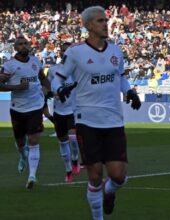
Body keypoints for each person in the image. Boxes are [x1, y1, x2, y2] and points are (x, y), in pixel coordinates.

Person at [51, 6, 141, 220]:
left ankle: (109, 192)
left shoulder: (116, 51)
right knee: (94, 175)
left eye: (105, 20)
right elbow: (58, 77)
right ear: (88, 25)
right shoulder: (75, 52)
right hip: (87, 121)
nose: (105, 24)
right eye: (101, 21)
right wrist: (58, 89)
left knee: (118, 176)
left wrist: (129, 91)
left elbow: (120, 77)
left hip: (113, 120)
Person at [0, 36, 51, 189]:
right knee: (21, 142)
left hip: (35, 107)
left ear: (29, 45)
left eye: (25, 43)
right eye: (20, 44)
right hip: (17, 108)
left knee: (34, 141)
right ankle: (23, 156)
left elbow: (43, 79)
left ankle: (32, 176)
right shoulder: (9, 65)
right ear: (15, 48)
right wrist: (17, 87)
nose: (24, 46)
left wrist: (46, 90)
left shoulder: (36, 61)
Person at [47, 42, 81, 183]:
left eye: (67, 50)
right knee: (63, 142)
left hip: (73, 110)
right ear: (60, 53)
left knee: (73, 139)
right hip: (58, 111)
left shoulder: (78, 71)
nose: (64, 52)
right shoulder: (53, 70)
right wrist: (50, 93)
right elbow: (49, 86)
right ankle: (68, 171)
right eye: (62, 50)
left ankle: (74, 159)